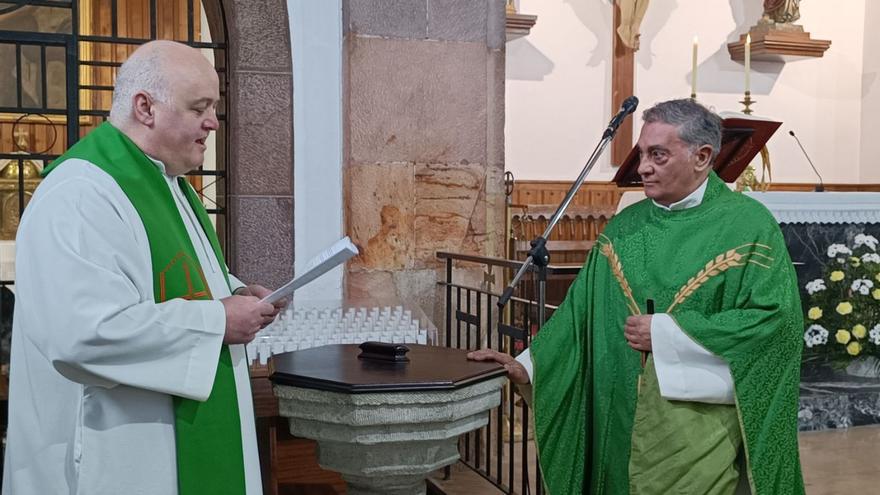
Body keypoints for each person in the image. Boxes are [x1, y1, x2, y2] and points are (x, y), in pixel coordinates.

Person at [470, 99, 804, 494]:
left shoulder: (748, 225)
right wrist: (528, 365)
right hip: (618, 416)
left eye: (658, 155)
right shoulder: (625, 227)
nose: (643, 167)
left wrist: (665, 334)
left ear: (702, 157)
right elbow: (580, 315)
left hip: (697, 429)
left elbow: (775, 320)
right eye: (642, 154)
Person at [2, 40, 284, 495]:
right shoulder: (80, 192)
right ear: (145, 108)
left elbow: (175, 279)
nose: (213, 121)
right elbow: (85, 332)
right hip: (115, 456)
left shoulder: (170, 184)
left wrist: (238, 294)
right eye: (200, 108)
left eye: (214, 106)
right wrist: (219, 319)